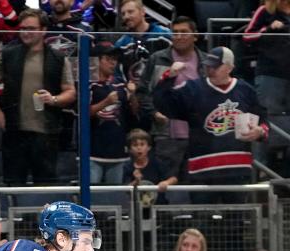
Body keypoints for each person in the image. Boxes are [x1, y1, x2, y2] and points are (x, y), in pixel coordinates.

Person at [153, 47, 267, 205]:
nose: (210, 69)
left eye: (216, 66)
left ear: (229, 67)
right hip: (202, 170)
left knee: (236, 221)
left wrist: (260, 131)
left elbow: (263, 120)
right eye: (208, 65)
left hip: (237, 169)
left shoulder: (246, 91)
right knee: (203, 221)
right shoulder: (192, 89)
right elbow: (163, 104)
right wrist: (168, 78)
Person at [0, 9, 76, 186]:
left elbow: (70, 92)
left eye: (31, 28)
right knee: (13, 186)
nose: (26, 32)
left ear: (43, 30)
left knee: (45, 188)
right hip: (15, 133)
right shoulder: (8, 54)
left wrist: (53, 99)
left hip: (46, 135)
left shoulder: (58, 58)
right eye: (22, 28)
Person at [136, 16, 207, 183]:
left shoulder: (206, 61)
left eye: (184, 32)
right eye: (175, 32)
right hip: (166, 135)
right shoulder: (157, 59)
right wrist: (154, 113)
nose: (179, 36)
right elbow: (142, 92)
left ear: (195, 36)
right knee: (165, 184)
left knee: (195, 185)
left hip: (198, 135)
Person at [89, 42, 136, 185]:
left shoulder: (121, 84)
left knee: (116, 197)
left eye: (114, 59)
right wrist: (105, 102)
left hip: (117, 151)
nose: (113, 63)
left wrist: (133, 95)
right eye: (108, 59)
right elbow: (83, 114)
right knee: (92, 194)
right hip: (92, 151)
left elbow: (133, 112)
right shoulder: (88, 84)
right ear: (97, 60)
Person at [244, 0, 290, 117]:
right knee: (271, 119)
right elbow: (247, 36)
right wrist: (268, 29)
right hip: (271, 74)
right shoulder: (265, 10)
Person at [123, 128, 177, 202]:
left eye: (142, 144)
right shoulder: (128, 166)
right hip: (137, 207)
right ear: (130, 149)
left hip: (158, 206)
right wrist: (136, 181)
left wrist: (166, 182)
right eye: (135, 145)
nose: (139, 148)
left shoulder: (157, 163)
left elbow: (173, 179)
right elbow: (126, 189)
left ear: (148, 147)